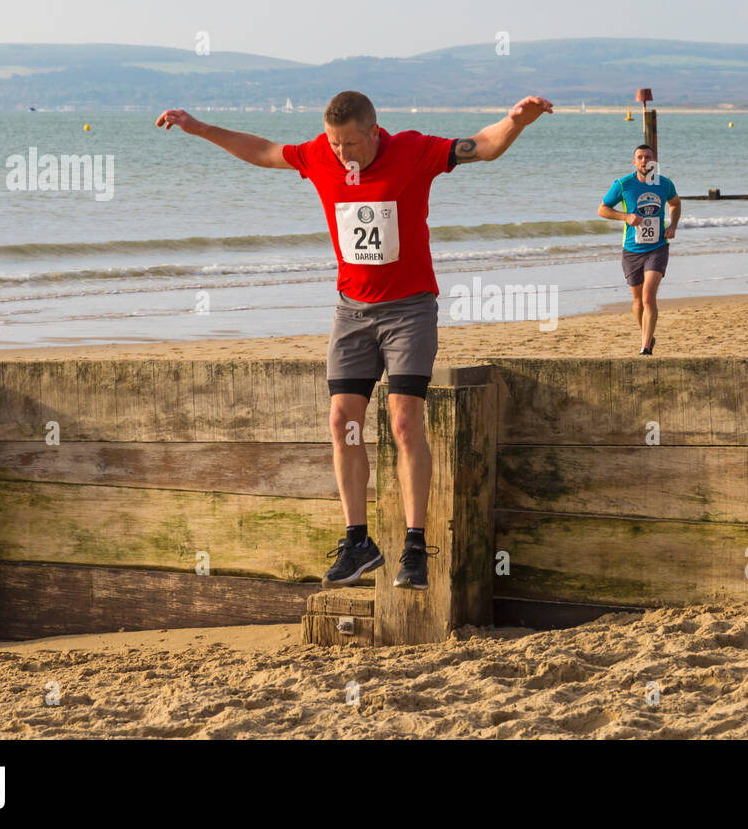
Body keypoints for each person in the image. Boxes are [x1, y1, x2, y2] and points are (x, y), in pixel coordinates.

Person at [156, 91, 553, 591]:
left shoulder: (413, 150)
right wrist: (199, 127)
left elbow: (483, 146)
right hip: (351, 312)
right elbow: (261, 151)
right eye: (333, 143)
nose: (341, 153)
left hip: (409, 310)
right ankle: (359, 541)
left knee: (405, 422)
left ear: (373, 131)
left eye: (350, 143)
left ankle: (414, 545)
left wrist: (517, 120)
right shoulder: (320, 154)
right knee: (342, 420)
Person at [598, 145, 680, 354]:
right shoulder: (624, 185)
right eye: (640, 158)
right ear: (634, 162)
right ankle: (647, 336)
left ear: (655, 160)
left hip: (658, 248)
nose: (644, 161)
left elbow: (675, 204)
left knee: (648, 296)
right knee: (637, 302)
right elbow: (602, 209)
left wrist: (673, 225)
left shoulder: (665, 184)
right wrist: (625, 217)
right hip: (632, 250)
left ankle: (645, 348)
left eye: (648, 157)